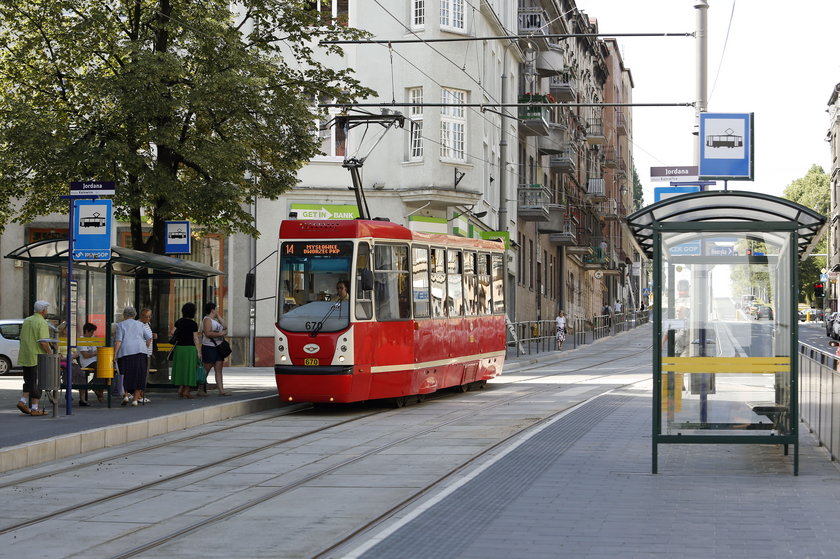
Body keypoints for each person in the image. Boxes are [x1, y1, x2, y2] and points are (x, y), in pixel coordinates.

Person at [16, 300, 53, 416]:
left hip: (25, 355)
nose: (47, 312)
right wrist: (50, 352)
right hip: (36, 356)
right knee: (37, 382)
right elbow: (43, 342)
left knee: (28, 380)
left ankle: (22, 401)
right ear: (43, 311)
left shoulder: (27, 320)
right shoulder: (41, 323)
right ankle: (35, 408)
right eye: (46, 310)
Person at [113, 306, 152, 407]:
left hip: (125, 352)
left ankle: (126, 395)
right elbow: (149, 337)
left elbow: (119, 341)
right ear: (134, 315)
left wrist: (115, 354)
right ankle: (135, 400)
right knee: (139, 375)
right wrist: (146, 345)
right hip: (141, 351)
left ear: (124, 315)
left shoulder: (120, 325)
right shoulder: (140, 324)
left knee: (125, 374)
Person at [171, 302, 201, 398]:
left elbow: (172, 332)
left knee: (181, 369)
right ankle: (186, 391)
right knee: (189, 369)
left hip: (179, 348)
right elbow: (195, 338)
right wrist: (199, 351)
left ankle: (180, 388)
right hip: (190, 349)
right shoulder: (193, 324)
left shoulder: (179, 322)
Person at [202, 302, 230, 396]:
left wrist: (218, 316)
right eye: (216, 309)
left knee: (219, 369)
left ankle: (221, 390)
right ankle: (200, 388)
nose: (217, 310)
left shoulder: (215, 320)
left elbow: (225, 326)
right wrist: (220, 334)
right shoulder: (207, 320)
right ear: (212, 309)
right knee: (207, 368)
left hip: (218, 347)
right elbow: (208, 333)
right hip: (209, 347)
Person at [77, 322, 105, 404]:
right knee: (99, 366)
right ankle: (95, 387)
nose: (92, 334)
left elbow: (100, 348)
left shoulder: (92, 339)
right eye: (91, 332)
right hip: (87, 362)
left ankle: (95, 386)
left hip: (95, 361)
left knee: (107, 367)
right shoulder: (81, 340)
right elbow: (85, 355)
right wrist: (96, 353)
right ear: (86, 331)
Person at [137, 308, 156, 404]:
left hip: (148, 352)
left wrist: (152, 335)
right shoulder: (138, 324)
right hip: (142, 352)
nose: (148, 318)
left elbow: (148, 335)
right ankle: (139, 395)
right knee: (142, 375)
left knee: (145, 375)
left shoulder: (148, 324)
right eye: (146, 316)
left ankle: (141, 394)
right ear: (141, 316)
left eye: (149, 316)